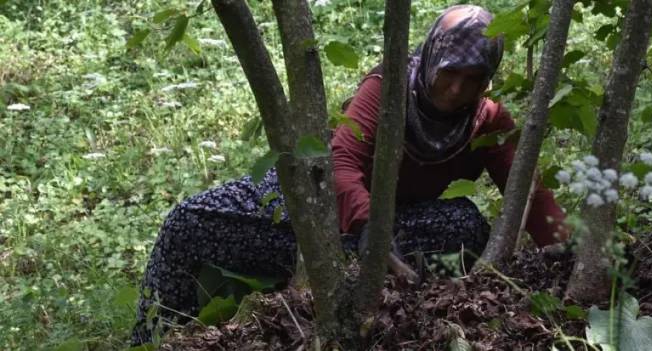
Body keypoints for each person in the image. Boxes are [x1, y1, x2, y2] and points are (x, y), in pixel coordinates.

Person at [130, 4, 569, 345]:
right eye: (449, 74)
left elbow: (526, 190)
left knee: (466, 229)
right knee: (189, 222)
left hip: (392, 231)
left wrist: (568, 252)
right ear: (433, 59)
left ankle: (408, 305)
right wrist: (366, 231)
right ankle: (150, 340)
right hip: (315, 209)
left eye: (472, 79)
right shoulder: (387, 90)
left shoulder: (487, 119)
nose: (456, 91)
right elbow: (340, 163)